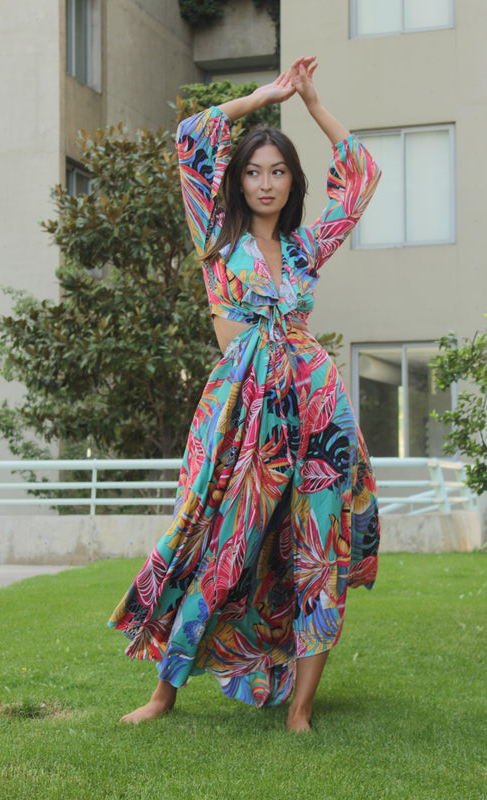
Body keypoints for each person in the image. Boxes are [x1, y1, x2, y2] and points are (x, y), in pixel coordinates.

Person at [108, 56, 381, 732]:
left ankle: (300, 711)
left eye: (278, 171)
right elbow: (191, 138)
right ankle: (164, 694)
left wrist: (313, 105)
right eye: (254, 171)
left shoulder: (306, 248)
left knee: (317, 548)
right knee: (218, 542)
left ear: (293, 182)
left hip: (317, 409)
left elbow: (361, 176)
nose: (265, 182)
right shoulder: (216, 236)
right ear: (237, 181)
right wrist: (263, 96)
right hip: (243, 412)